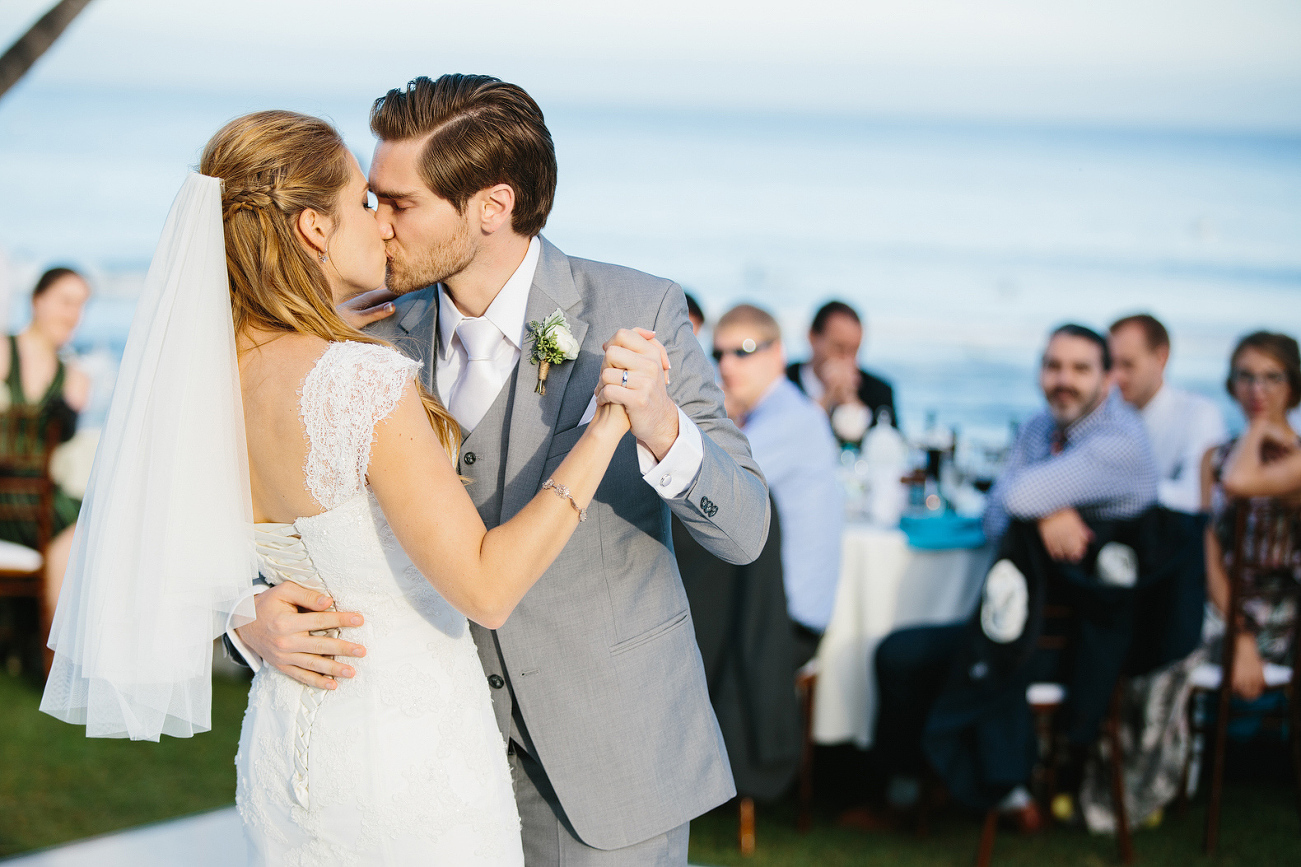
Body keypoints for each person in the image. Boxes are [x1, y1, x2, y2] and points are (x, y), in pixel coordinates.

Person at [41, 110, 648, 864]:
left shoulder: (204, 376)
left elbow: (139, 549)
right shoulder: (359, 381)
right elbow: (486, 587)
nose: (383, 226)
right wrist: (607, 428)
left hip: (289, 749)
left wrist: (242, 611)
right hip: (409, 763)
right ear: (313, 229)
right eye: (364, 201)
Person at [231, 76, 771, 865]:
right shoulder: (362, 342)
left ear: (490, 206)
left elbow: (747, 528)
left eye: (400, 202)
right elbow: (276, 507)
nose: (379, 225)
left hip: (609, 762)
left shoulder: (639, 308)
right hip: (424, 770)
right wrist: (248, 613)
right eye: (371, 200)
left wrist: (660, 426)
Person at [873, 323, 1157, 828]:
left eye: (1079, 369)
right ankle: (910, 791)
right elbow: (993, 517)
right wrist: (1049, 510)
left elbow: (1016, 497)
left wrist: (1036, 502)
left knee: (964, 654)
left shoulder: (1121, 443)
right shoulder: (1037, 429)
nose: (1062, 380)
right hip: (1021, 624)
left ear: (1108, 378)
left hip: (1081, 642)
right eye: (1052, 366)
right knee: (898, 653)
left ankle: (999, 790)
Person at [714, 303, 842, 668]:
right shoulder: (771, 413)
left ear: (779, 353)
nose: (726, 365)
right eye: (719, 353)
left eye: (744, 351)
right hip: (765, 606)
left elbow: (713, 481)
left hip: (787, 624)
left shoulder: (791, 419)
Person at [1201, 331, 1301, 702]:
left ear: (1292, 384)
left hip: (1279, 611)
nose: (1257, 389)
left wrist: (1260, 425)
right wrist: (1237, 633)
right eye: (1246, 376)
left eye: (1272, 377)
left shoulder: (1296, 459)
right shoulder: (1214, 457)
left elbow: (1240, 482)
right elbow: (1208, 551)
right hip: (1222, 605)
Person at [0, 267, 91, 623]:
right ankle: (59, 643)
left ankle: (58, 636)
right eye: (65, 301)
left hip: (40, 499)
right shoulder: (5, 350)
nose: (73, 314)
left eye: (81, 305)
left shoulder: (75, 378)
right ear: (38, 300)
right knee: (83, 522)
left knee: (90, 517)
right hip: (7, 492)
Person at [1109, 314, 1226, 514]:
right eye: (1110, 364)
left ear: (1161, 358)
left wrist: (1108, 488)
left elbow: (1197, 496)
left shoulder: (1197, 413)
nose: (1116, 376)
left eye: (1128, 365)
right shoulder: (1104, 411)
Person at [786, 300, 896, 445]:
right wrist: (827, 398)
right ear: (812, 337)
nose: (847, 360)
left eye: (854, 351)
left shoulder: (878, 391)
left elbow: (889, 451)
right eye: (839, 348)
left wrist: (850, 401)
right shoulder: (783, 381)